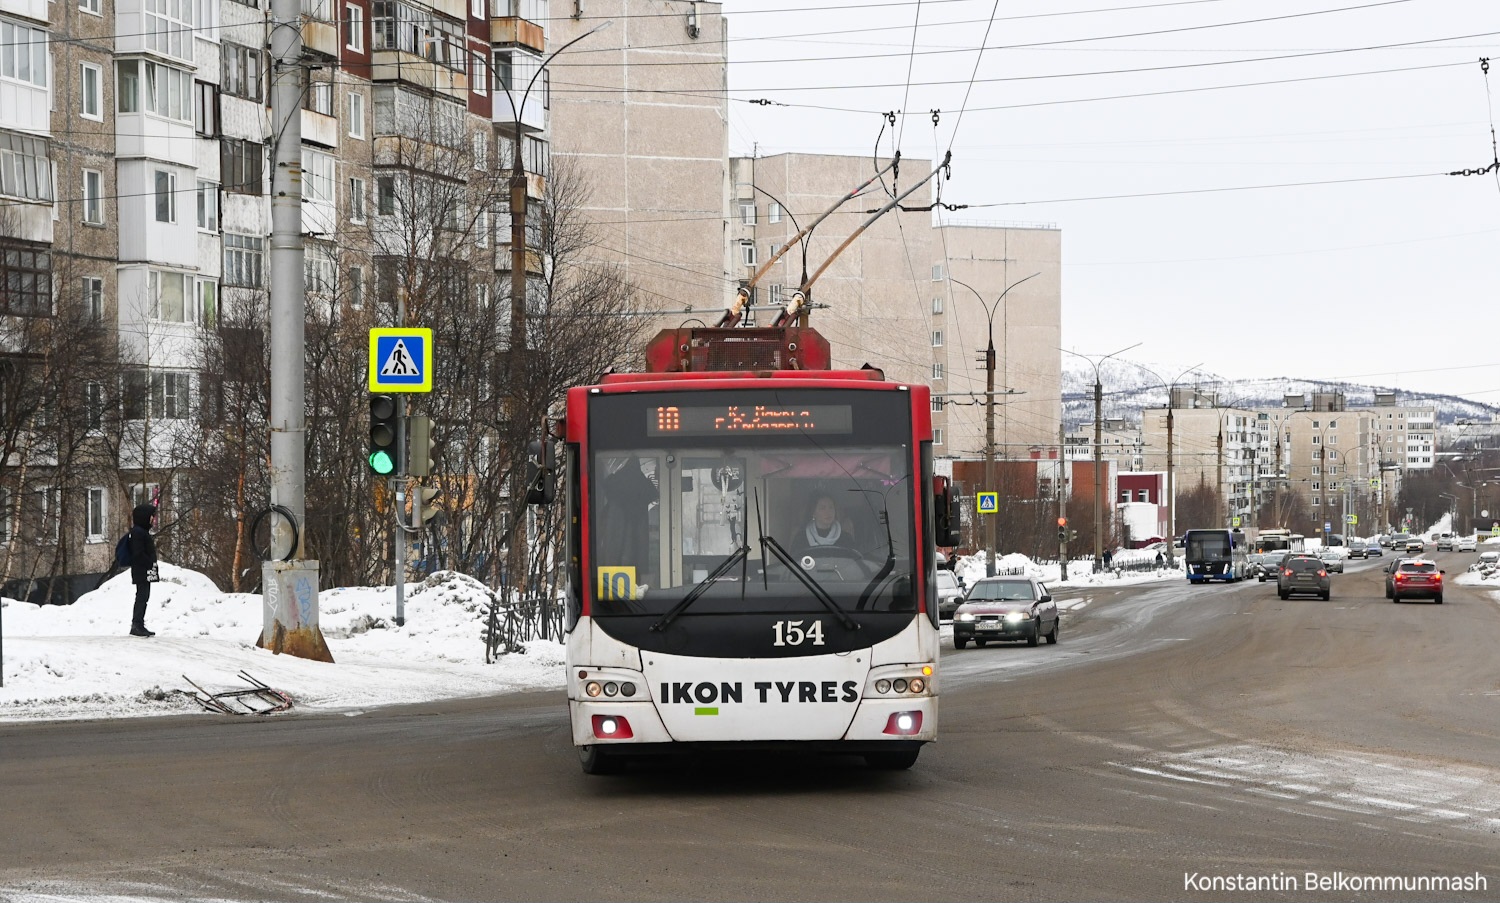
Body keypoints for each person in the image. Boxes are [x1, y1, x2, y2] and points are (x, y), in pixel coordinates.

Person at [127, 504, 160, 637]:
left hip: (143, 569)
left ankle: (139, 624)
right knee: (142, 597)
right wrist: (149, 563)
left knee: (143, 596)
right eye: (151, 516)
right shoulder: (138, 533)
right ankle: (137, 625)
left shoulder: (141, 531)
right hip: (142, 570)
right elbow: (138, 553)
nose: (153, 519)